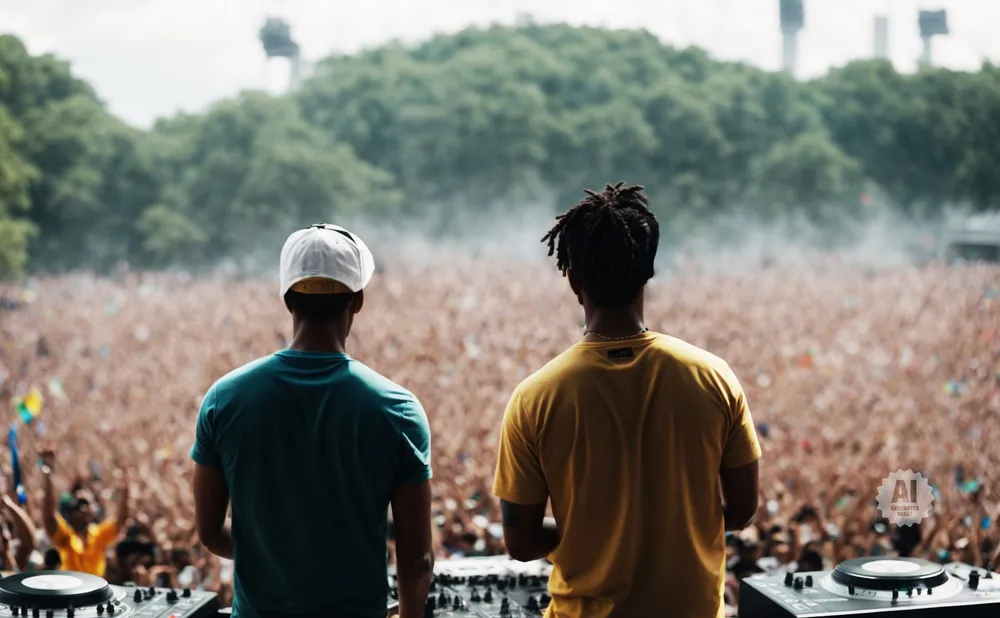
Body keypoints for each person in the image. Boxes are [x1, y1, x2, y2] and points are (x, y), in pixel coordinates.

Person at [492, 183, 762, 618]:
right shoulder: (713, 377)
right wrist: (666, 523)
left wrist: (595, 529)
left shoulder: (535, 397)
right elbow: (743, 510)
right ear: (648, 272)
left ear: (573, 279)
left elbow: (521, 542)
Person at [191, 224, 434, 618]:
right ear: (358, 300)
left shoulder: (223, 399)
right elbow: (416, 558)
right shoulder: (398, 409)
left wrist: (277, 550)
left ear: (287, 299)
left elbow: (209, 532)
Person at [39, 448, 129, 576]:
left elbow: (121, 521)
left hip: (96, 588)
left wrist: (125, 485)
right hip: (71, 588)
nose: (81, 509)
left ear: (93, 511)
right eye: (76, 506)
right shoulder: (66, 537)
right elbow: (49, 517)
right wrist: (47, 474)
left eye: (85, 503)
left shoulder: (99, 535)